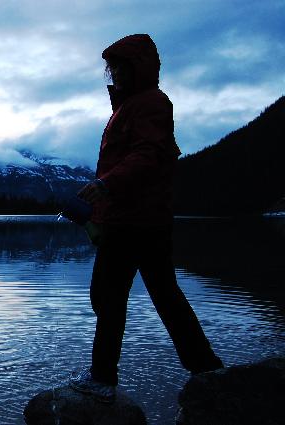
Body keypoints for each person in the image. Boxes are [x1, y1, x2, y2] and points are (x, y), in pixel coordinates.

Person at [69, 34, 223, 403]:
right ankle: (207, 369)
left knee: (110, 297)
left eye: (121, 66)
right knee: (162, 296)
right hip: (137, 219)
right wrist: (100, 212)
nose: (115, 73)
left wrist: (106, 185)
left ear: (138, 67)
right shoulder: (130, 106)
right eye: (112, 67)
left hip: (136, 221)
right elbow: (133, 161)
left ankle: (102, 379)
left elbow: (150, 155)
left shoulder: (150, 103)